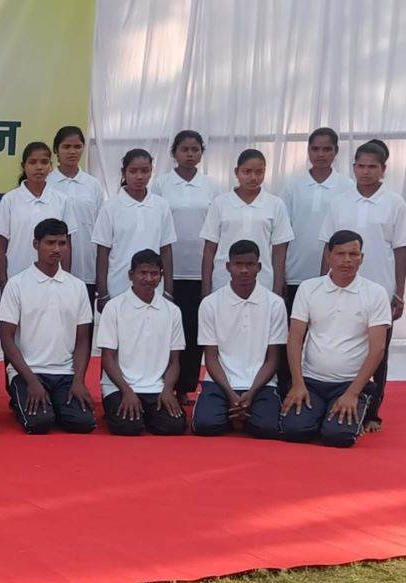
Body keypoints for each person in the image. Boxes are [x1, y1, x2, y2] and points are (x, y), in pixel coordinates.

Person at [319, 141, 406, 432]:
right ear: (353, 167)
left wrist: (399, 292)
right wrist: (321, 283)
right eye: (361, 166)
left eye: (372, 167)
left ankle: (371, 412)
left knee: (377, 351)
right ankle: (331, 399)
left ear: (383, 170)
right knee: (337, 342)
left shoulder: (395, 203)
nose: (366, 171)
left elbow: (401, 249)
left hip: (380, 289)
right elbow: (327, 246)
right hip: (339, 285)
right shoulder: (338, 202)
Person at [281, 230, 390, 447]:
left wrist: (352, 393)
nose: (347, 260)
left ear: (362, 258)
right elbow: (295, 338)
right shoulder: (308, 288)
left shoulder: (376, 293)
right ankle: (322, 412)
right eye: (340, 254)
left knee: (338, 437)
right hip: (311, 381)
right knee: (294, 430)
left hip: (350, 384)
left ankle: (358, 405)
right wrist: (298, 383)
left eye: (353, 254)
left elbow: (377, 349)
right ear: (328, 255)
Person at [0, 219, 96, 434]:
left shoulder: (78, 287)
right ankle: (22, 399)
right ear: (36, 244)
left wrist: (79, 380)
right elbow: (6, 338)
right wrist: (31, 381)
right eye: (50, 243)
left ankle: (56, 404)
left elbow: (82, 340)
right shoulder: (16, 285)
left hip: (65, 373)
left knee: (83, 423)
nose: (57, 249)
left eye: (62, 243)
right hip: (29, 372)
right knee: (40, 423)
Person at [151, 130, 226, 403]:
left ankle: (185, 387)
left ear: (201, 153)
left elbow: (218, 228)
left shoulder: (212, 187)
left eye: (195, 149)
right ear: (174, 153)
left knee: (194, 332)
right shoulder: (161, 185)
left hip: (201, 270)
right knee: (166, 330)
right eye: (184, 149)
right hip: (168, 271)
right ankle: (158, 384)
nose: (190, 154)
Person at [192, 240, 286, 437]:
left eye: (250, 264)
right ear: (228, 266)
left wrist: (251, 392)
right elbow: (211, 357)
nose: (244, 270)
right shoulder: (210, 304)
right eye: (238, 264)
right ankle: (236, 414)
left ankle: (239, 415)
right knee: (205, 426)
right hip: (220, 383)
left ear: (259, 267)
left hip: (261, 384)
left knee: (267, 428)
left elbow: (273, 358)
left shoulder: (275, 304)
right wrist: (230, 394)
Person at [96, 249, 186, 436]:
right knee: (129, 427)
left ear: (161, 276)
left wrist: (168, 390)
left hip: (156, 388)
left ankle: (148, 414)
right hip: (120, 387)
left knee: (174, 426)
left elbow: (174, 360)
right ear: (131, 275)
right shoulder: (114, 308)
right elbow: (108, 358)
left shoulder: (172, 311)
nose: (148, 279)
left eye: (154, 274)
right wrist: (127, 391)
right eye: (143, 273)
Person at [200, 149, 293, 297]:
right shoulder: (220, 203)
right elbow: (209, 249)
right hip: (223, 281)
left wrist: (277, 289)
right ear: (236, 172)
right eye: (247, 172)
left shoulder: (275, 204)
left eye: (259, 172)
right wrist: (206, 290)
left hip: (263, 282)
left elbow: (279, 252)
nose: (253, 177)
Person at [92, 148, 177, 309]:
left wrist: (168, 290)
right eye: (133, 171)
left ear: (151, 172)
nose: (139, 176)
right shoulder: (110, 207)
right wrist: (102, 293)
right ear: (124, 173)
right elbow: (102, 252)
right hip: (118, 288)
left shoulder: (161, 206)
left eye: (145, 171)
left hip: (154, 289)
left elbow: (166, 249)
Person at [282, 127, 352, 313]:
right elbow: (282, 233)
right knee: (296, 325)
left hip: (335, 274)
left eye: (327, 149)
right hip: (295, 272)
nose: (321, 154)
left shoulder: (347, 186)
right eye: (315, 149)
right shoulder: (293, 185)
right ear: (308, 150)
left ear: (336, 151)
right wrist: (281, 274)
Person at [0, 141, 79, 286]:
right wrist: (3, 283)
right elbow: (0, 249)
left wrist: (65, 281)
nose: (39, 167)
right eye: (32, 162)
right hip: (17, 279)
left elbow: (67, 246)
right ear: (23, 166)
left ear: (50, 166)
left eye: (44, 162)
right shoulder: (10, 199)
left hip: (53, 280)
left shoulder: (62, 200)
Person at [48, 126, 105, 303]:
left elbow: (101, 229)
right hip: (51, 268)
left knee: (83, 317)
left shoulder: (93, 185)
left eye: (77, 146)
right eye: (66, 147)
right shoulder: (47, 183)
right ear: (56, 150)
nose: (72, 152)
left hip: (87, 267)